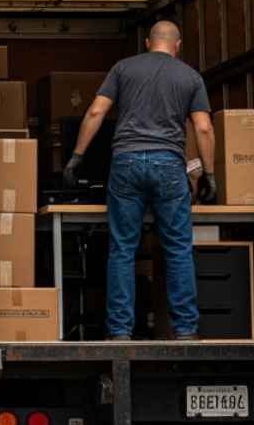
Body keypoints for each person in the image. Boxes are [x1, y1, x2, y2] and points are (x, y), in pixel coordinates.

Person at [65, 20, 216, 342]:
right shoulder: (190, 76)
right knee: (177, 249)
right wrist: (209, 172)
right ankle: (185, 330)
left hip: (126, 164)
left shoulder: (122, 68)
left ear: (148, 42)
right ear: (178, 45)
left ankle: (120, 331)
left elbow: (95, 112)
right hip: (169, 166)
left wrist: (77, 156)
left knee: (122, 249)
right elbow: (203, 127)